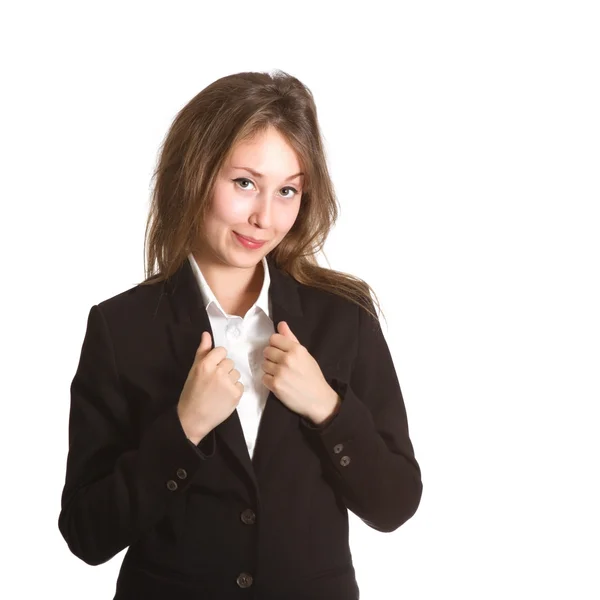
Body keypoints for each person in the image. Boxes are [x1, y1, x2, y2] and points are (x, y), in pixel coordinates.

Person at [58, 69, 423, 600]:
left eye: (288, 191)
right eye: (245, 183)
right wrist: (183, 429)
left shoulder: (344, 319)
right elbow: (87, 535)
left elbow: (395, 504)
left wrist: (327, 407)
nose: (264, 217)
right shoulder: (121, 328)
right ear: (195, 173)